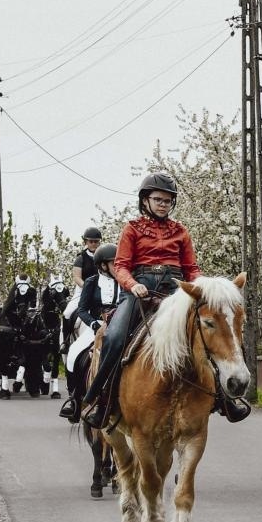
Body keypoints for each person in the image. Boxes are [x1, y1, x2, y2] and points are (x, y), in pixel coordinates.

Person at [78, 172, 208, 429]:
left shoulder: (181, 231)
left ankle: (225, 398)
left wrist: (202, 285)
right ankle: (100, 400)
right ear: (145, 200)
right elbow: (123, 266)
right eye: (158, 199)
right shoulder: (132, 229)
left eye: (168, 200)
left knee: (208, 330)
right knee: (114, 337)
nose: (163, 204)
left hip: (174, 290)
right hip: (140, 291)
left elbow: (191, 267)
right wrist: (132, 285)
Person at [59, 241, 124, 423]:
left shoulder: (126, 280)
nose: (117, 266)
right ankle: (74, 400)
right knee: (73, 354)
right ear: (103, 265)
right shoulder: (92, 282)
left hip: (122, 325)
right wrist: (94, 324)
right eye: (113, 263)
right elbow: (82, 309)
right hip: (95, 326)